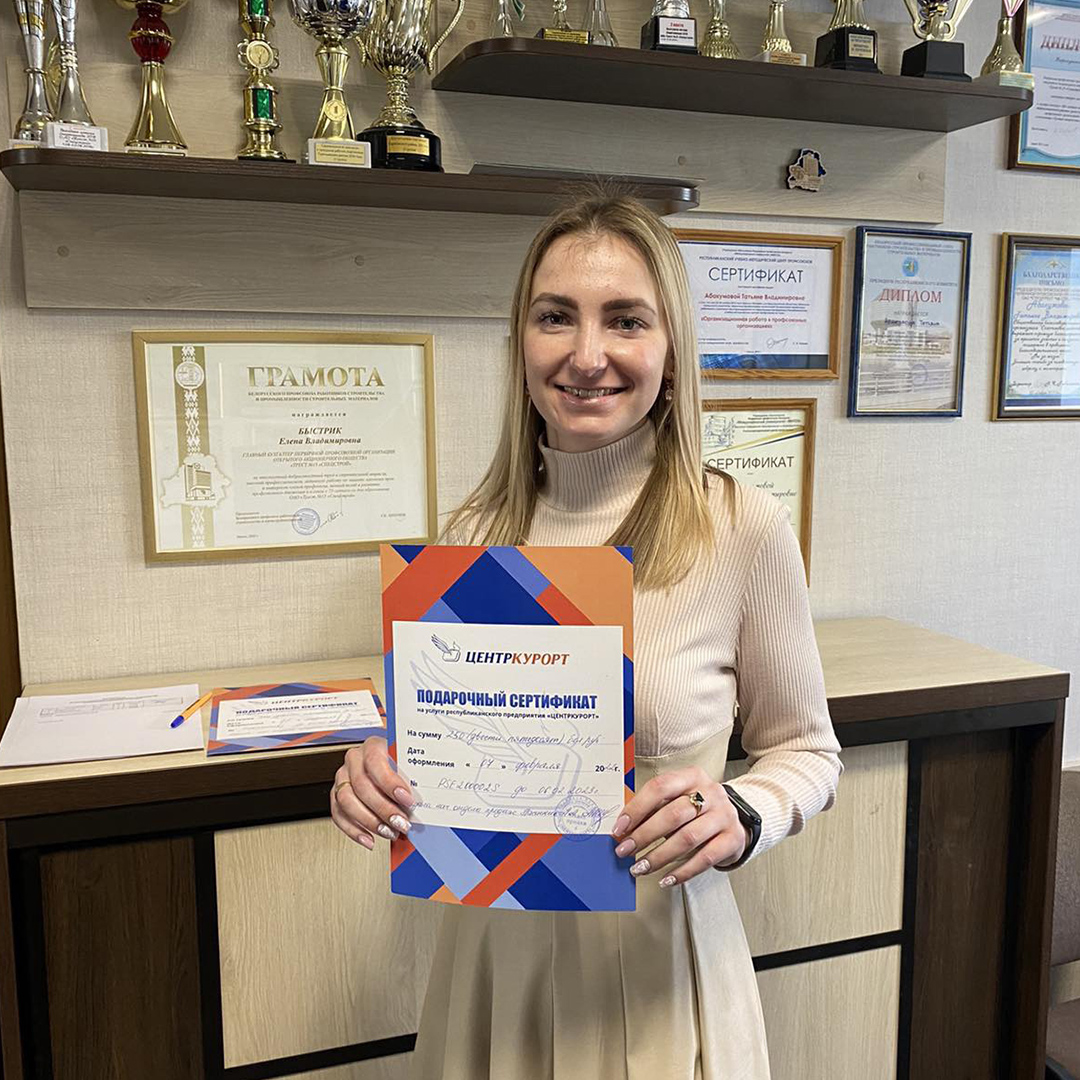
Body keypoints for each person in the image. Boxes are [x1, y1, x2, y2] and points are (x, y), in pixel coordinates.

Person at [329, 191, 843, 1079]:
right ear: (521, 343)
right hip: (494, 961)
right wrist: (378, 769)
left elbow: (809, 750)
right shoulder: (472, 536)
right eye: (556, 316)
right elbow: (450, 741)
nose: (587, 354)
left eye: (626, 320)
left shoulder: (740, 526)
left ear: (671, 351)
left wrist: (745, 811)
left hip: (657, 962)